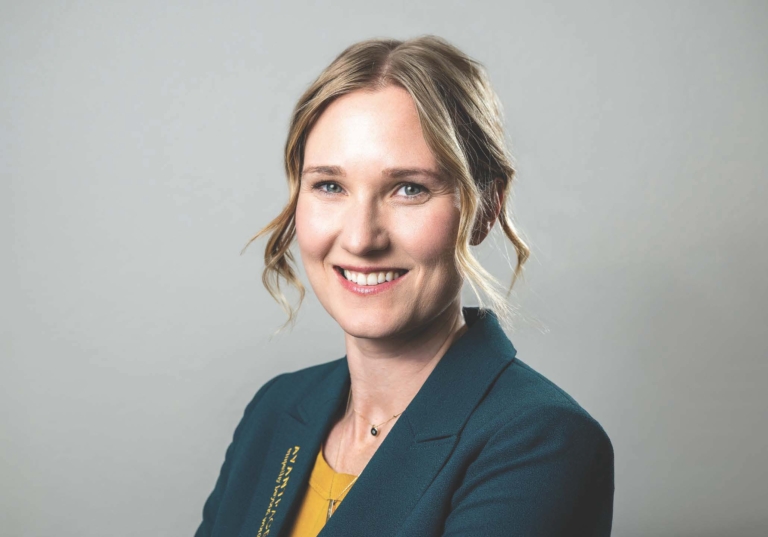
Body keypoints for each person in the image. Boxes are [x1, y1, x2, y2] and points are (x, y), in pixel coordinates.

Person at [195, 35, 614, 537]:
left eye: (408, 188)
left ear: (485, 208)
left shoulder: (541, 442)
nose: (359, 238)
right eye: (330, 185)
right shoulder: (276, 409)